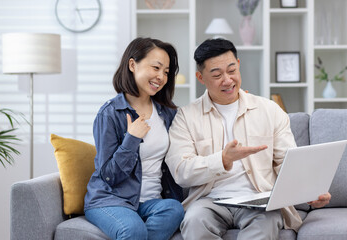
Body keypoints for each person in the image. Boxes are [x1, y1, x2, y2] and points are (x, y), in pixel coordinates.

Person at [165, 38, 331, 240]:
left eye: (232, 70)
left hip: (257, 198)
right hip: (209, 201)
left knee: (267, 221)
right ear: (201, 77)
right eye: (217, 75)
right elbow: (181, 171)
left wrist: (310, 191)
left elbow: (287, 162)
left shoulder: (269, 110)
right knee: (194, 222)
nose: (227, 80)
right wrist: (223, 159)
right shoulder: (186, 116)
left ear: (239, 65)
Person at [84, 37, 184, 240]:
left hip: (151, 203)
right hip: (111, 200)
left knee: (174, 209)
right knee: (133, 230)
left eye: (166, 72)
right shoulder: (110, 113)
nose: (161, 77)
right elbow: (109, 176)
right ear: (132, 64)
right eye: (156, 67)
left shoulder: (167, 113)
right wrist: (131, 139)